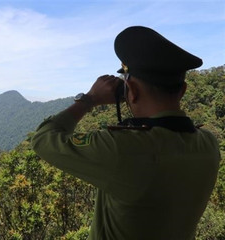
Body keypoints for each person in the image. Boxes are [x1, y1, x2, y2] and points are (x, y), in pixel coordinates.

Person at [31, 26, 220, 240]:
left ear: (132, 91)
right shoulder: (209, 145)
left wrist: (89, 100)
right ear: (183, 90)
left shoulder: (124, 149)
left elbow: (43, 138)